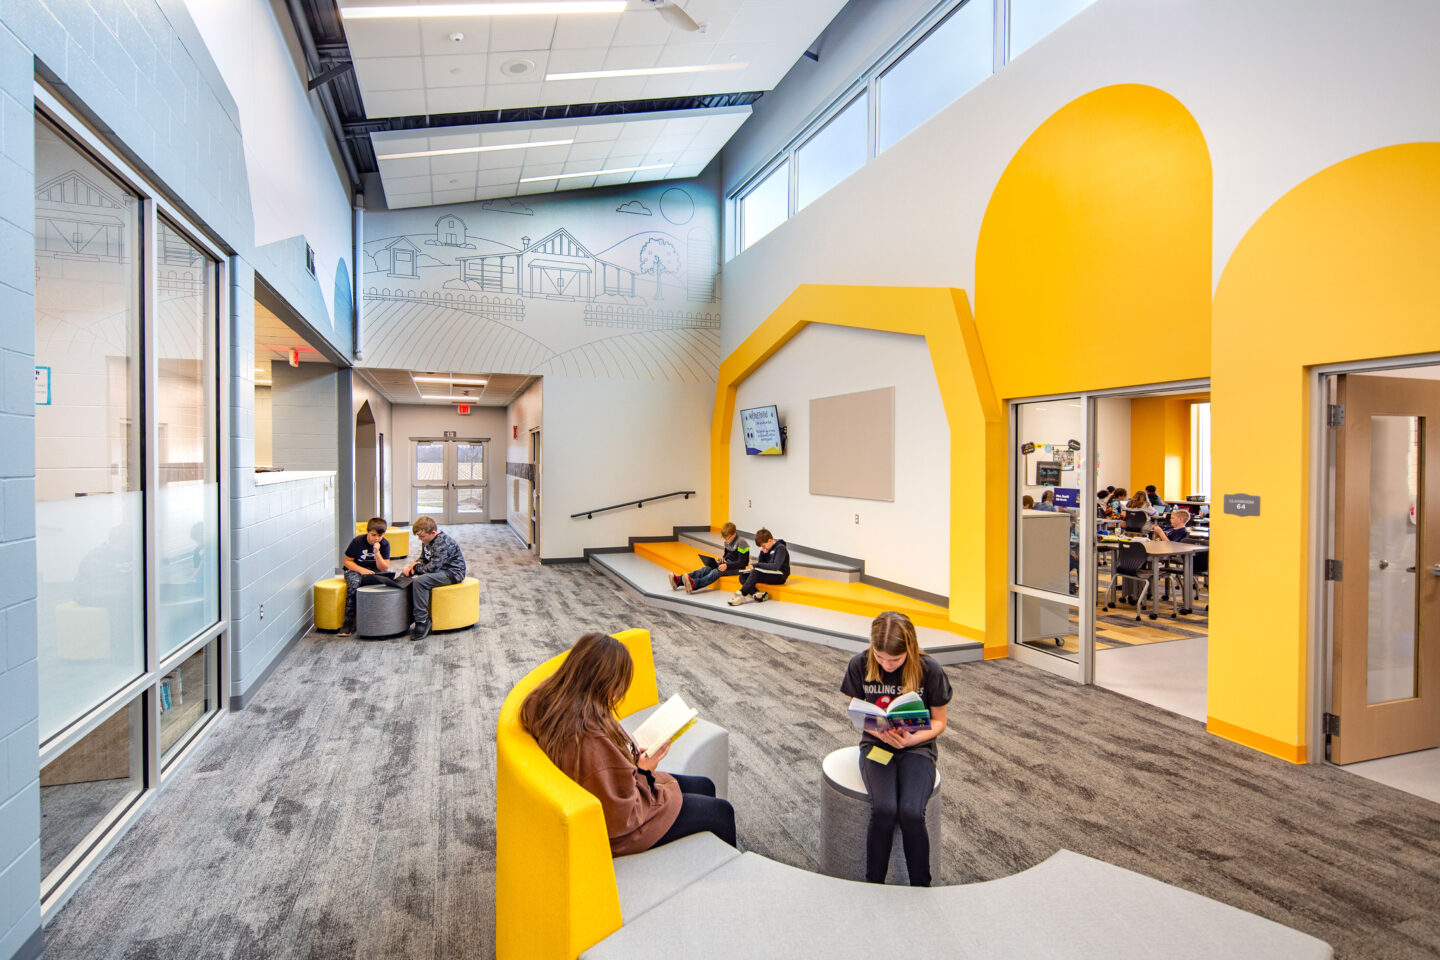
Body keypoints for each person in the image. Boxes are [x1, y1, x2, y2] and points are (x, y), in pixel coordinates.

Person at [520, 632, 736, 855]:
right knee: (721, 812)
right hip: (626, 830)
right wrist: (644, 770)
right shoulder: (589, 737)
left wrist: (632, 763)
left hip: (617, 797)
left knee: (705, 785)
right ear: (605, 682)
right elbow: (621, 817)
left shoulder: (555, 703)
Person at [840, 612, 951, 886]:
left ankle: (921, 888)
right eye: (880, 657)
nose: (886, 665)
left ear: (909, 650)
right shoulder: (860, 663)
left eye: (895, 660)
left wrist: (912, 739)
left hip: (917, 747)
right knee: (885, 809)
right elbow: (857, 712)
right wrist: (877, 729)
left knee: (912, 812)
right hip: (877, 744)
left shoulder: (930, 670)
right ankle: (874, 884)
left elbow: (940, 722)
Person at [399, 516, 467, 641]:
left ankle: (422, 621)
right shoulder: (427, 541)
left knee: (420, 582)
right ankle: (408, 616)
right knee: (407, 577)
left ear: (433, 533)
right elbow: (423, 559)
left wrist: (416, 568)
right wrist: (412, 567)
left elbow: (431, 569)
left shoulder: (442, 543)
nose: (420, 539)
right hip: (440, 571)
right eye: (419, 536)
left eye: (422, 536)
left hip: (452, 573)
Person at [339, 517, 397, 637]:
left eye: (380, 536)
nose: (376, 538)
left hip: (375, 571)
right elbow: (347, 561)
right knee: (354, 584)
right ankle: (348, 622)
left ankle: (382, 622)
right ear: (367, 532)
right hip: (355, 570)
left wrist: (377, 553)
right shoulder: (357, 542)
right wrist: (362, 570)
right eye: (373, 535)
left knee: (390, 582)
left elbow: (384, 567)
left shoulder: (385, 544)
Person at [670, 523, 749, 593]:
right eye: (725, 538)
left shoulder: (742, 542)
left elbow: (742, 562)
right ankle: (678, 580)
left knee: (716, 571)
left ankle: (694, 584)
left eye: (728, 538)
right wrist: (723, 558)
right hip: (727, 564)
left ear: (734, 534)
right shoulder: (727, 541)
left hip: (738, 568)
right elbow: (727, 554)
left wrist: (727, 566)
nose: (726, 540)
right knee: (706, 569)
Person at [727, 528, 789, 605]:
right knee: (743, 576)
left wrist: (756, 565)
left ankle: (741, 594)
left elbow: (775, 566)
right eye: (761, 547)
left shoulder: (780, 548)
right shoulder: (765, 549)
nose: (763, 548)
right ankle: (757, 594)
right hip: (769, 573)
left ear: (770, 541)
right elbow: (761, 563)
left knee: (755, 572)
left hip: (780, 575)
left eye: (764, 546)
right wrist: (762, 554)